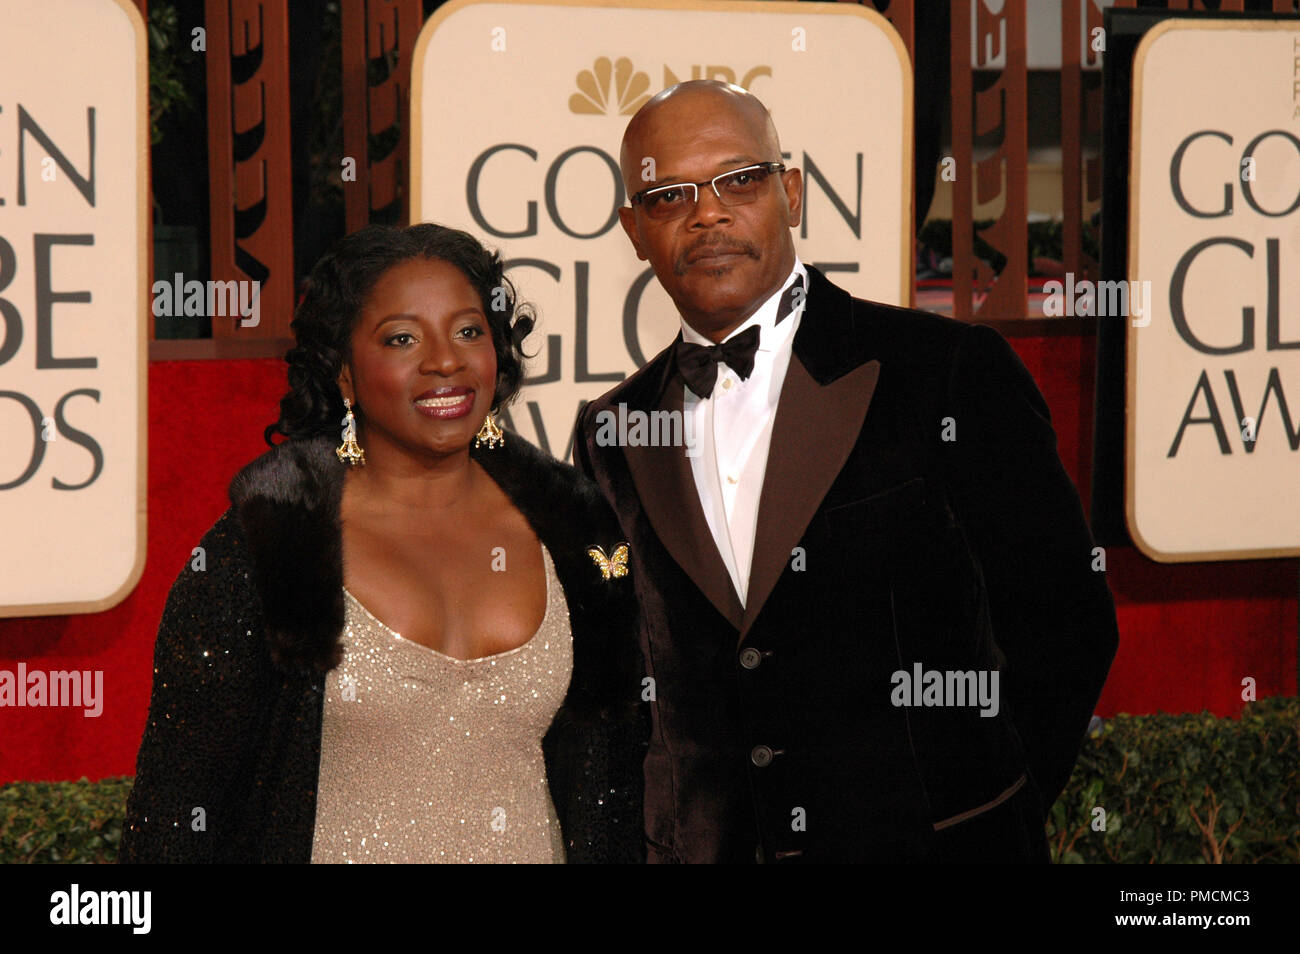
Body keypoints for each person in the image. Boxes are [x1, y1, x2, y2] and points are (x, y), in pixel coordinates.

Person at [572, 80, 1120, 863]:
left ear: (789, 192)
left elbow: (1066, 621)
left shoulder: (946, 373)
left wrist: (991, 811)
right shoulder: (611, 433)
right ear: (634, 229)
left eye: (740, 179)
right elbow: (620, 693)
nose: (708, 213)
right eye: (668, 195)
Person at [121, 223, 645, 863]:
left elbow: (615, 787)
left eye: (468, 331)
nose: (444, 360)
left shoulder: (577, 532)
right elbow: (177, 812)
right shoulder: (269, 543)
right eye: (402, 338)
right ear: (343, 372)